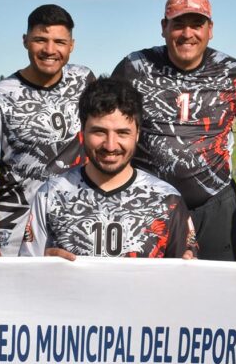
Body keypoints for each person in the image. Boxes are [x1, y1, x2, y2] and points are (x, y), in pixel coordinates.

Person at [111, 0, 236, 261]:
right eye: (178, 24)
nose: (187, 33)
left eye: (197, 24)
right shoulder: (134, 67)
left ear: (210, 29)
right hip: (147, 202)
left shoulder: (231, 71)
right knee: (148, 289)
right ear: (163, 27)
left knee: (216, 287)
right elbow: (105, 123)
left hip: (214, 203)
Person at [0, 4, 94, 256]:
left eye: (59, 41)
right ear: (25, 41)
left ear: (72, 45)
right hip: (16, 229)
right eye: (40, 40)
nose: (49, 50)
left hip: (76, 220)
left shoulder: (84, 80)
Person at [20, 77, 198, 259]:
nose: (110, 146)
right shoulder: (50, 194)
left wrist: (189, 266)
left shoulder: (167, 199)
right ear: (82, 132)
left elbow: (183, 278)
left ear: (137, 135)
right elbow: (26, 274)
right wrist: (42, 264)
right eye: (99, 132)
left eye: (122, 133)